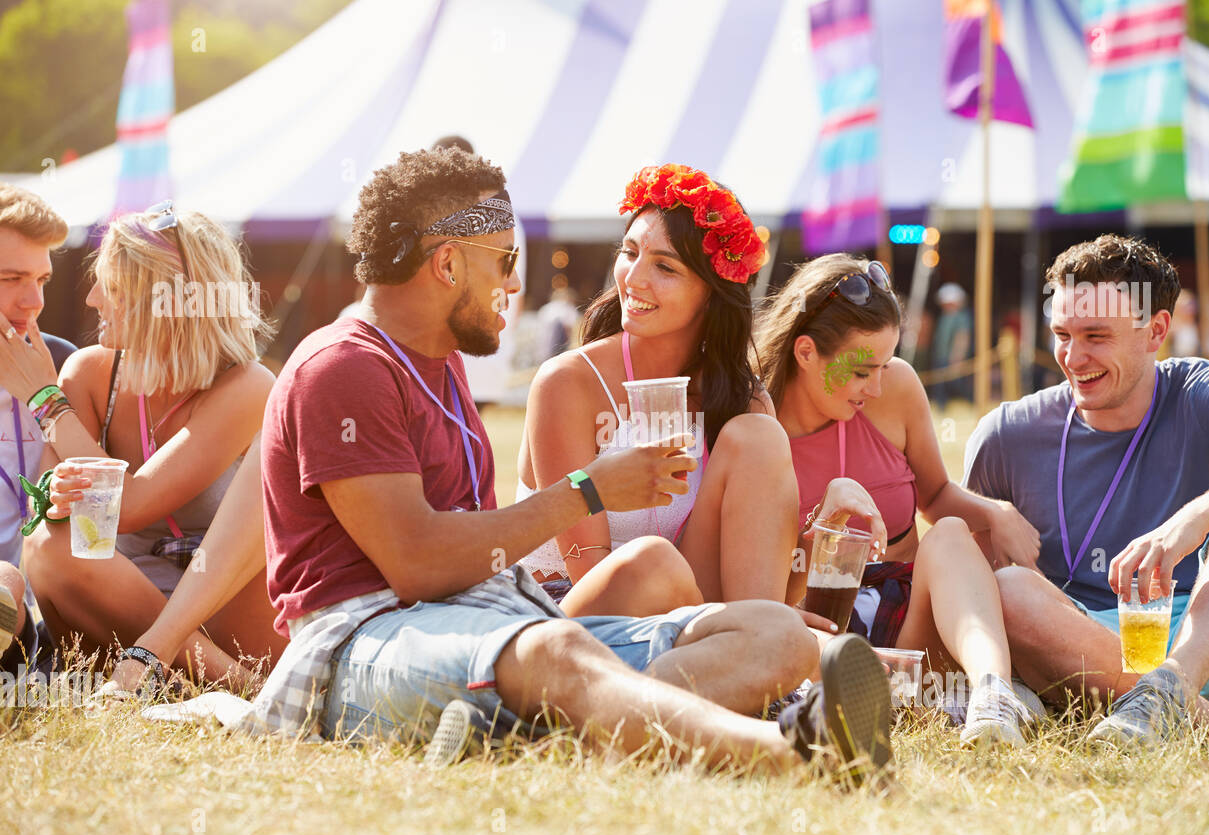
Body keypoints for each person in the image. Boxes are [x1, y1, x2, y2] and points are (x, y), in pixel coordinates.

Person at [227, 147, 892, 782]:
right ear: (449, 263)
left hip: (488, 624)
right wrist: (588, 492)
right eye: (505, 260)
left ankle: (537, 735)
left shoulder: (441, 370)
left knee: (775, 634)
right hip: (365, 642)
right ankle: (801, 756)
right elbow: (416, 563)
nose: (515, 282)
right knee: (556, 651)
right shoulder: (345, 368)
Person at [963, 234, 1209, 747]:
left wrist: (1194, 520)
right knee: (1004, 588)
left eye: (1096, 335)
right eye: (1062, 334)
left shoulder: (1204, 392)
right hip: (1081, 651)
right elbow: (964, 585)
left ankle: (1168, 693)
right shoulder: (1005, 434)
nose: (1074, 357)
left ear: (1155, 331)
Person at [755, 254, 1046, 745]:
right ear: (806, 353)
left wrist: (994, 513)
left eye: (886, 364)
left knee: (951, 533)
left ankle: (993, 696)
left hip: (907, 623)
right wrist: (820, 530)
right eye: (863, 371)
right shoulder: (753, 425)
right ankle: (910, 700)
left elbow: (933, 494)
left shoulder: (896, 390)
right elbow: (755, 589)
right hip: (813, 630)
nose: (879, 385)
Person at [7, 202, 283, 688]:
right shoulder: (90, 373)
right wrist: (57, 495)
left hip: (222, 606)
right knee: (50, 545)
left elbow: (128, 506)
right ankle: (218, 685)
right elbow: (57, 512)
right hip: (119, 600)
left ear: (163, 300)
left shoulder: (247, 384)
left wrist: (44, 400)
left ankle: (239, 684)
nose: (91, 299)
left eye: (111, 288)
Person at [515, 163, 797, 605]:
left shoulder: (743, 400)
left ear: (712, 290)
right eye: (629, 252)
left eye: (664, 266)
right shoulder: (567, 383)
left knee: (758, 435)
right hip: (572, 610)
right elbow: (588, 568)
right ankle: (745, 643)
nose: (633, 278)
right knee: (652, 561)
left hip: (686, 607)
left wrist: (826, 522)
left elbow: (757, 564)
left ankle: (757, 637)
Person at [0, 184, 77, 669]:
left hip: (27, 617)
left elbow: (112, 502)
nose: (34, 301)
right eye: (11, 278)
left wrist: (44, 397)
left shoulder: (66, 365)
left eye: (43, 280)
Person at [930, 282, 972, 407]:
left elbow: (962, 338)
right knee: (941, 386)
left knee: (956, 384)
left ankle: (968, 405)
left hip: (952, 359)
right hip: (941, 357)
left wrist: (957, 358)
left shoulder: (961, 317)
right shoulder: (946, 316)